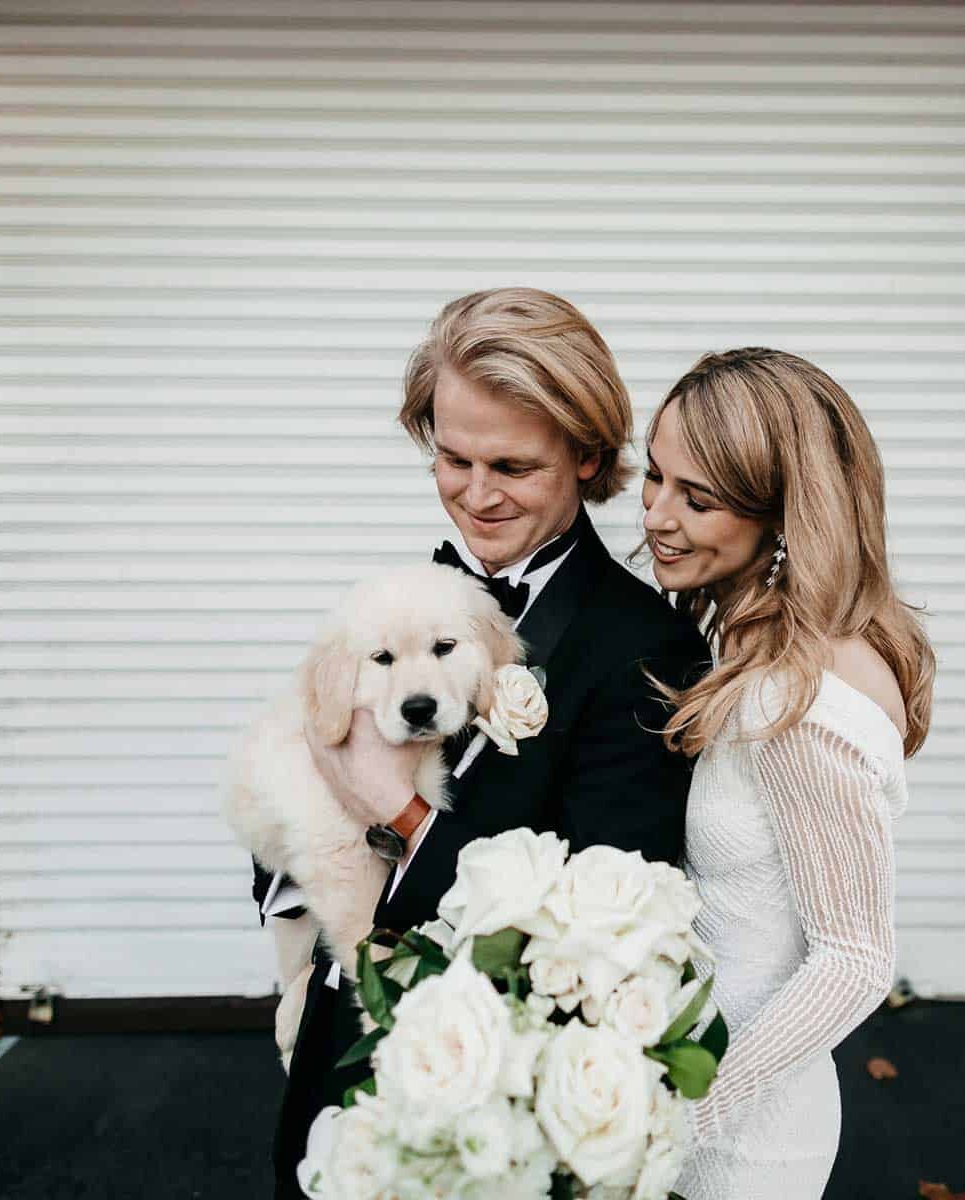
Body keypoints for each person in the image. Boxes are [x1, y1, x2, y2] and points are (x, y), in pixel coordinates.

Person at [258, 289, 709, 1200]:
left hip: (490, 1093)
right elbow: (293, 779)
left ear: (588, 457)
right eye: (453, 459)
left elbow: (595, 909)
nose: (477, 493)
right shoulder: (408, 601)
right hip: (332, 1057)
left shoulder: (641, 647)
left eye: (512, 464)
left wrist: (400, 808)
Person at [637, 348, 934, 1198]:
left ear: (784, 514)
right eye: (655, 478)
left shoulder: (802, 693)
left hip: (741, 1143)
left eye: (698, 499)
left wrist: (686, 1115)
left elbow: (854, 960)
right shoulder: (755, 644)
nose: (657, 515)